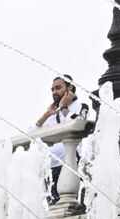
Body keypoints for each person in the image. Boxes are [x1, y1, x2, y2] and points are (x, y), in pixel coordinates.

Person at [36, 74, 89, 203]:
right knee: (53, 209)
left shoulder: (81, 106)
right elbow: (31, 134)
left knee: (68, 205)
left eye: (58, 88)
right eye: (52, 89)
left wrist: (64, 107)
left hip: (67, 164)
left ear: (69, 88)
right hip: (50, 168)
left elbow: (78, 123)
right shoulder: (52, 112)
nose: (54, 92)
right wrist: (46, 114)